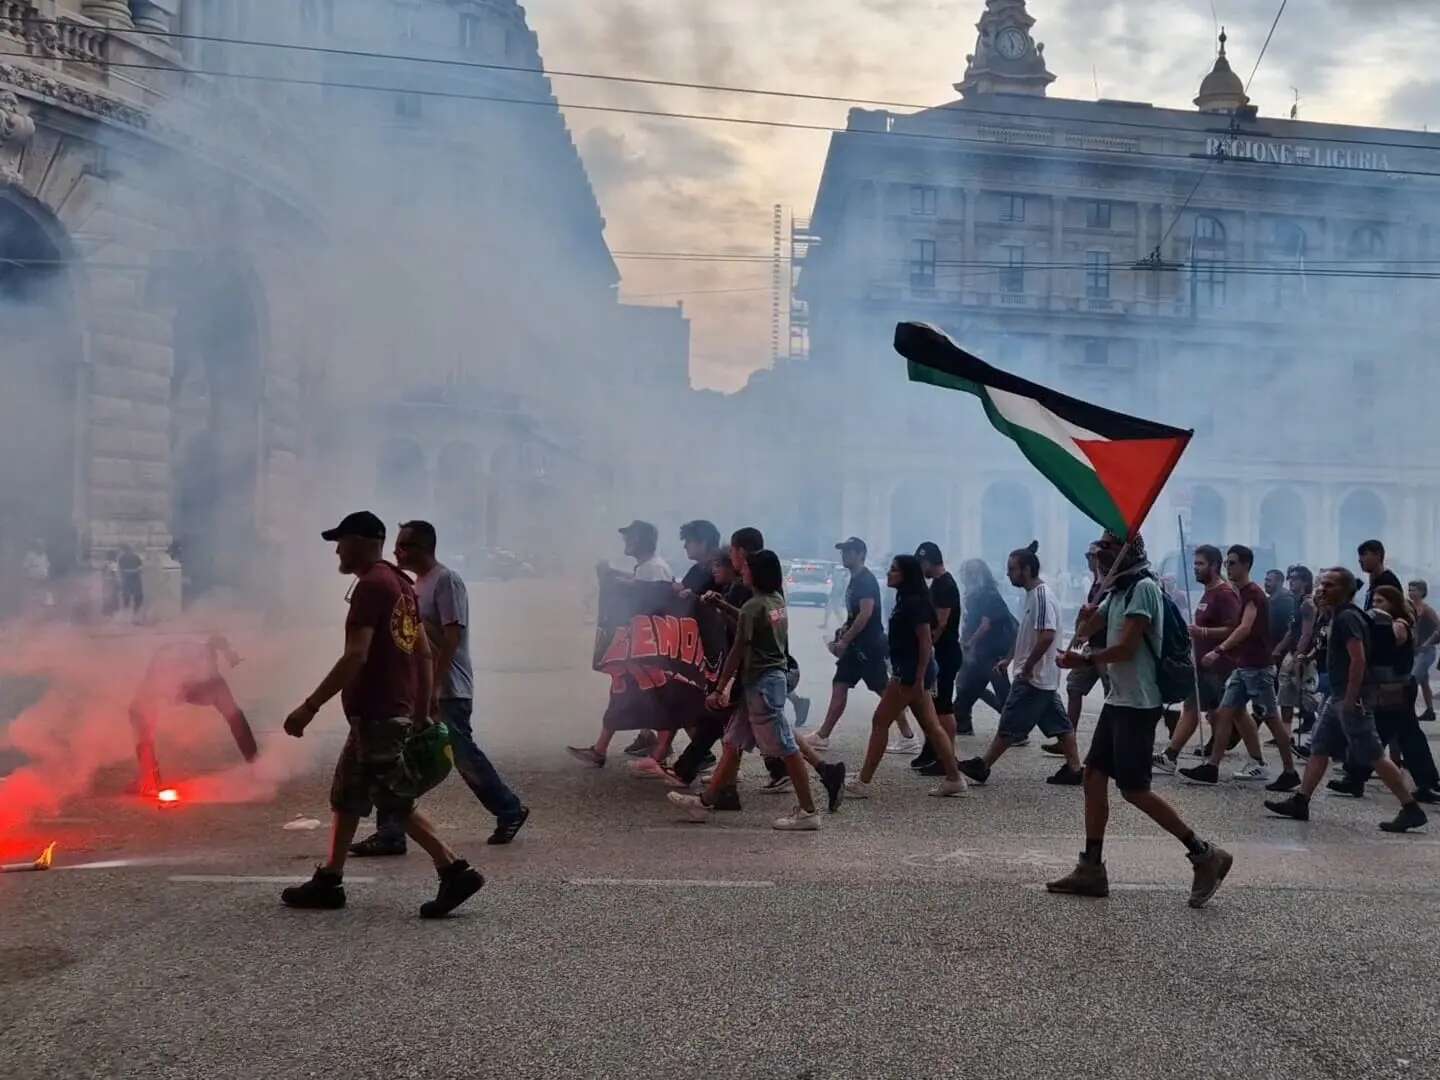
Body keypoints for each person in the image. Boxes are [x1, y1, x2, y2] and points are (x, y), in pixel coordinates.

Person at [280, 511, 485, 916]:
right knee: (347, 795)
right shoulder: (399, 584)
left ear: (362, 541)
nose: (337, 549)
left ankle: (454, 869)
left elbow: (355, 656)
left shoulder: (372, 587)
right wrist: (424, 707)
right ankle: (329, 880)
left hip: (379, 714)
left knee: (393, 798)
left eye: (342, 540)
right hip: (383, 713)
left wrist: (309, 707)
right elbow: (424, 651)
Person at [1047, 531, 1233, 909]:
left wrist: (1083, 660)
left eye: (1108, 550)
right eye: (1098, 550)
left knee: (1134, 790)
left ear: (1128, 553)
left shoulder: (1143, 589)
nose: (1100, 555)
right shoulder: (1117, 590)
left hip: (1139, 703)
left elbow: (1126, 647)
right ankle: (1091, 867)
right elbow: (1089, 630)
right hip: (1119, 699)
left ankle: (1204, 854)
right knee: (1094, 776)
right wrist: (1085, 620)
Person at [351, 521, 529, 857]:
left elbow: (452, 637)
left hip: (449, 689)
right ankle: (391, 833)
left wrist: (433, 688)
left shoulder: (446, 581)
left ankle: (509, 809)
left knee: (462, 754)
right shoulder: (417, 584)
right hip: (421, 689)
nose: (396, 551)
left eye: (404, 545)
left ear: (423, 547)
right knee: (395, 760)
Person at [667, 550, 842, 829]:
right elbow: (752, 621)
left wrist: (720, 688)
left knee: (786, 748)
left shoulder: (753, 606)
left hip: (761, 685)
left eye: (746, 568)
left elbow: (738, 649)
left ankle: (809, 812)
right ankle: (704, 803)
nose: (742, 572)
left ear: (756, 573)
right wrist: (725, 606)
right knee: (732, 743)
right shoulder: (775, 602)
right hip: (768, 682)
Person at [1264, 568, 1428, 833]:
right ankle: (1301, 800)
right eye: (1322, 583)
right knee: (1319, 747)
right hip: (1339, 697)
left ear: (1345, 590)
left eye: (1329, 585)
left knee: (1374, 755)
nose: (1322, 588)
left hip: (1350, 698)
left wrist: (1351, 699)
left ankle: (1410, 808)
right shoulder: (1339, 615)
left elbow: (1358, 659)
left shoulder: (1348, 618)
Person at [957, 542, 1083, 787]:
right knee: (1061, 725)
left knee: (1010, 721)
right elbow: (1022, 632)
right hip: (1040, 676)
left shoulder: (1042, 596)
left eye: (1012, 569)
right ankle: (1075, 768)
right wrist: (1009, 658)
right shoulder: (1030, 596)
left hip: (1034, 676)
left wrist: (1027, 666)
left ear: (1026, 569)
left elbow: (1047, 634)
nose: (1007, 573)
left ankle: (983, 766)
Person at [843, 554, 967, 799]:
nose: (889, 574)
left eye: (894, 570)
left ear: (907, 575)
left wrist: (919, 678)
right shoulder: (906, 599)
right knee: (932, 726)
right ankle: (954, 778)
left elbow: (925, 642)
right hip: (910, 671)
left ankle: (863, 781)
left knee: (880, 721)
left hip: (910, 674)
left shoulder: (914, 602)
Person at [1178, 545, 1299, 791]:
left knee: (1272, 719)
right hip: (1244, 667)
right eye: (1227, 564)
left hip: (1258, 669)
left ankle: (1289, 772)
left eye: (1232, 563)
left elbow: (1243, 628)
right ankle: (1211, 767)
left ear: (1246, 565)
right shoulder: (1242, 592)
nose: (1228, 568)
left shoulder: (1253, 593)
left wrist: (1218, 650)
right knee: (1224, 713)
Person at [570, 520, 677, 766]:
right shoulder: (647, 568)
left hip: (648, 651)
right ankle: (634, 743)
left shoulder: (654, 569)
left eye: (630, 538)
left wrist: (613, 578)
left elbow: (648, 596)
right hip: (640, 650)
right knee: (627, 696)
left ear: (640, 540)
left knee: (647, 698)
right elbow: (638, 584)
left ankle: (659, 751)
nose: (626, 543)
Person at [1333, 585, 1440, 804]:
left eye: (1381, 601)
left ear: (1393, 603)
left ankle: (1355, 776)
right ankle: (1426, 782)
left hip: (1395, 689)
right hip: (1390, 689)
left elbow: (1386, 649)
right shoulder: (1385, 624)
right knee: (1406, 736)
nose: (1376, 606)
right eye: (1374, 602)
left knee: (1377, 734)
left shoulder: (1399, 625)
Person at [130, 634, 257, 797]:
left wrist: (229, 654)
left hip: (202, 680)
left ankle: (149, 779)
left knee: (138, 715)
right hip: (202, 679)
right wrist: (230, 655)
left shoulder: (167, 669)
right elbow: (216, 639)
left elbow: (216, 640)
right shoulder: (166, 664)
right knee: (233, 714)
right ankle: (256, 766)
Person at [1153, 545, 1239, 775]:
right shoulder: (1209, 591)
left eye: (1200, 564)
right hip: (1201, 663)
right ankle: (1172, 756)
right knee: (1204, 710)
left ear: (1214, 565)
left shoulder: (1224, 593)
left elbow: (1234, 629)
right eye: (1194, 564)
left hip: (1217, 665)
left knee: (1210, 712)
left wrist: (1203, 634)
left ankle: (1179, 757)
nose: (1195, 569)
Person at [804, 537, 890, 750]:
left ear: (861, 554)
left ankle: (909, 736)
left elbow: (866, 613)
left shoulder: (865, 580)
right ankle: (823, 734)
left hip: (867, 645)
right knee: (842, 684)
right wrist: (842, 629)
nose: (845, 555)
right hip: (859, 645)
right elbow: (855, 615)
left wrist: (845, 640)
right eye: (843, 551)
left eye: (849, 551)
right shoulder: (855, 579)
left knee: (883, 690)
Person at [1048, 543, 1106, 757]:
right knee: (1074, 686)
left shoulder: (1111, 583)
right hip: (1093, 645)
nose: (1088, 560)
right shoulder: (1096, 583)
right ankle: (1067, 738)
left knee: (1114, 696)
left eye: (1090, 555)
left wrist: (1086, 628)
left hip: (1108, 648)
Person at [910, 542, 963, 774]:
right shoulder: (938, 584)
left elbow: (940, 623)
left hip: (945, 653)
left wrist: (925, 648)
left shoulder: (945, 586)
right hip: (940, 653)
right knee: (933, 704)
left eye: (921, 565)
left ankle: (947, 757)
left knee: (943, 707)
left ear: (928, 562)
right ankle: (933, 751)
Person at [954, 559, 1017, 736]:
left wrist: (969, 643)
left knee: (1002, 692)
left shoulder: (989, 595)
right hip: (980, 652)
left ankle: (1015, 730)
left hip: (992, 651)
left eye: (969, 573)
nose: (966, 577)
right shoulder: (975, 595)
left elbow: (985, 624)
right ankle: (962, 724)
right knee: (967, 687)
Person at [1273, 566, 1319, 741]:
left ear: (1305, 582)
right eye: (1290, 578)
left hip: (1304, 657)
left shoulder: (1307, 603)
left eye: (1296, 578)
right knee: (1285, 695)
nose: (1291, 581)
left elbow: (1306, 633)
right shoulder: (1295, 601)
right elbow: (1292, 630)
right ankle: (1285, 736)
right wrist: (1279, 649)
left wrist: (1299, 657)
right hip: (1292, 654)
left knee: (1308, 697)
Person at [1406, 579, 1438, 723]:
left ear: (1422, 592)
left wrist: (1427, 643)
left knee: (1412, 681)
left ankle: (1408, 712)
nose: (1411, 592)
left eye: (1414, 589)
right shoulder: (1409, 608)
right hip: (1416, 652)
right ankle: (1430, 711)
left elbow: (1439, 628)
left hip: (1426, 652)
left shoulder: (1427, 610)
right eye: (1409, 589)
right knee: (1424, 682)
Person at [1358, 539, 1402, 611]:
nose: (1360, 559)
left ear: (1378, 555)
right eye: (1360, 555)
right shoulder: (1374, 581)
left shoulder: (1388, 581)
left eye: (1364, 554)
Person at [117, 544, 144, 618]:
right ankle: (134, 614)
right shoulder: (135, 556)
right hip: (134, 578)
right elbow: (140, 567)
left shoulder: (122, 557)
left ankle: (128, 615)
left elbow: (120, 569)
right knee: (137, 597)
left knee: (127, 597)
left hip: (128, 578)